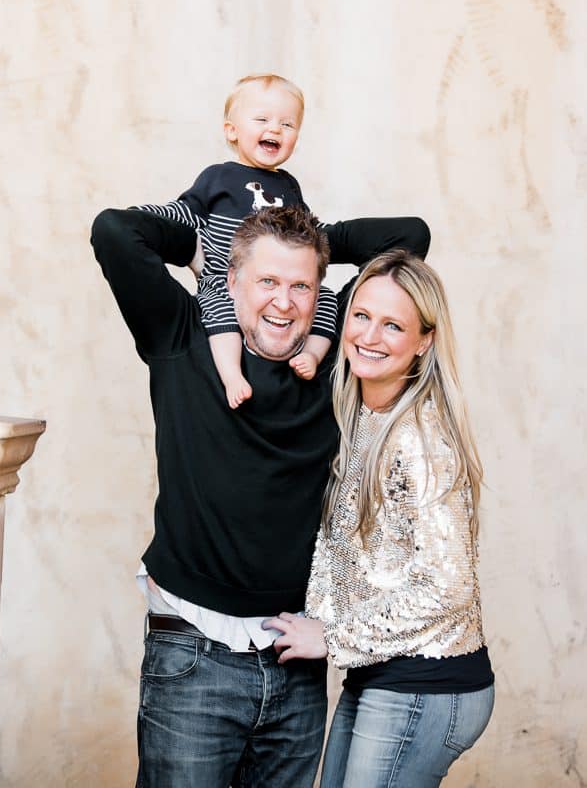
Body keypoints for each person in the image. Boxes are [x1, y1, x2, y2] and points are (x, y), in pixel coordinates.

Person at [91, 204, 430, 787]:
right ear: (229, 281)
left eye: (302, 285)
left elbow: (411, 237)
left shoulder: (330, 359)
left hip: (295, 657)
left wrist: (305, 239)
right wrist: (216, 233)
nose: (284, 301)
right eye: (266, 281)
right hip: (193, 655)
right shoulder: (180, 332)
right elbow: (115, 231)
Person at [264, 250, 495, 788]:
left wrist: (333, 636)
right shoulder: (360, 415)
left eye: (394, 325)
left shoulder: (419, 437)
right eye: (361, 316)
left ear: (425, 341)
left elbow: (448, 587)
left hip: (427, 681)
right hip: (381, 671)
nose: (369, 335)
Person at [137, 73, 336, 408]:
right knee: (218, 310)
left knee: (326, 299)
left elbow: (305, 234)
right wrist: (142, 215)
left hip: (273, 287)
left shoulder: (289, 186)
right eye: (262, 120)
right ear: (232, 130)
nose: (275, 129)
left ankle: (313, 357)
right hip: (224, 280)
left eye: (287, 124)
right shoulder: (219, 177)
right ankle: (231, 374)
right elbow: (184, 212)